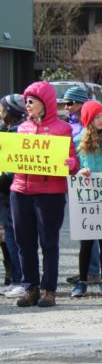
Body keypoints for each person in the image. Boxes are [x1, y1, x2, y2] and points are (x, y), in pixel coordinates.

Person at [12, 81, 79, 307]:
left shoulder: (63, 128)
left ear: (45, 103)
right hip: (20, 191)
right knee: (24, 241)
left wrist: (70, 163)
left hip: (50, 193)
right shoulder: (21, 129)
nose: (27, 105)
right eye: (26, 101)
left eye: (31, 101)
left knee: (49, 242)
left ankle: (49, 289)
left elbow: (73, 163)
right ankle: (30, 287)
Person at [70, 101, 102, 298]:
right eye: (97, 117)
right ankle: (82, 281)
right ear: (88, 119)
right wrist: (78, 171)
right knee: (86, 241)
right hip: (86, 198)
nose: (101, 120)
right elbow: (71, 167)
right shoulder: (78, 141)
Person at [63, 85, 102, 284]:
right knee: (83, 227)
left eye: (70, 103)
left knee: (91, 227)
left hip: (89, 181)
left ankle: (92, 270)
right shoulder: (69, 124)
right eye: (65, 103)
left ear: (80, 103)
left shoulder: (85, 126)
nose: (66, 107)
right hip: (75, 179)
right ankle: (87, 269)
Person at [0, 94, 25, 298]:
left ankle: (20, 279)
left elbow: (12, 168)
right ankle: (16, 277)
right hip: (6, 191)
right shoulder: (6, 130)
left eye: (2, 109)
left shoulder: (17, 133)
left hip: (11, 191)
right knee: (9, 236)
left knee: (14, 236)